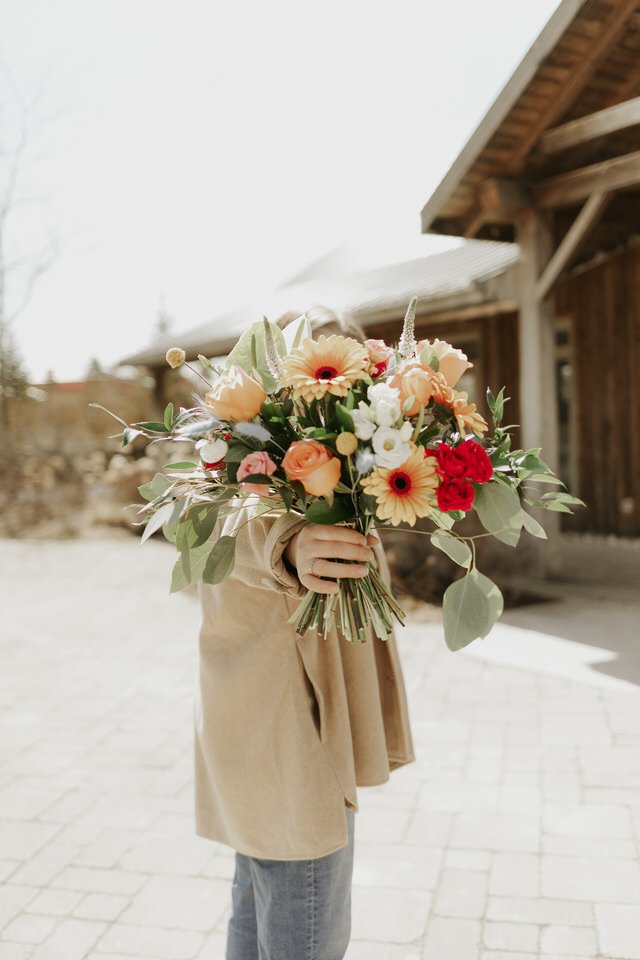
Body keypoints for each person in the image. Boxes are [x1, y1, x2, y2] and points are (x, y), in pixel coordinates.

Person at [194, 307, 415, 960]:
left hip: (266, 739)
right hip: (289, 741)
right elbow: (264, 541)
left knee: (254, 911)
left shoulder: (269, 486)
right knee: (305, 928)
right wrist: (295, 548)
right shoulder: (243, 495)